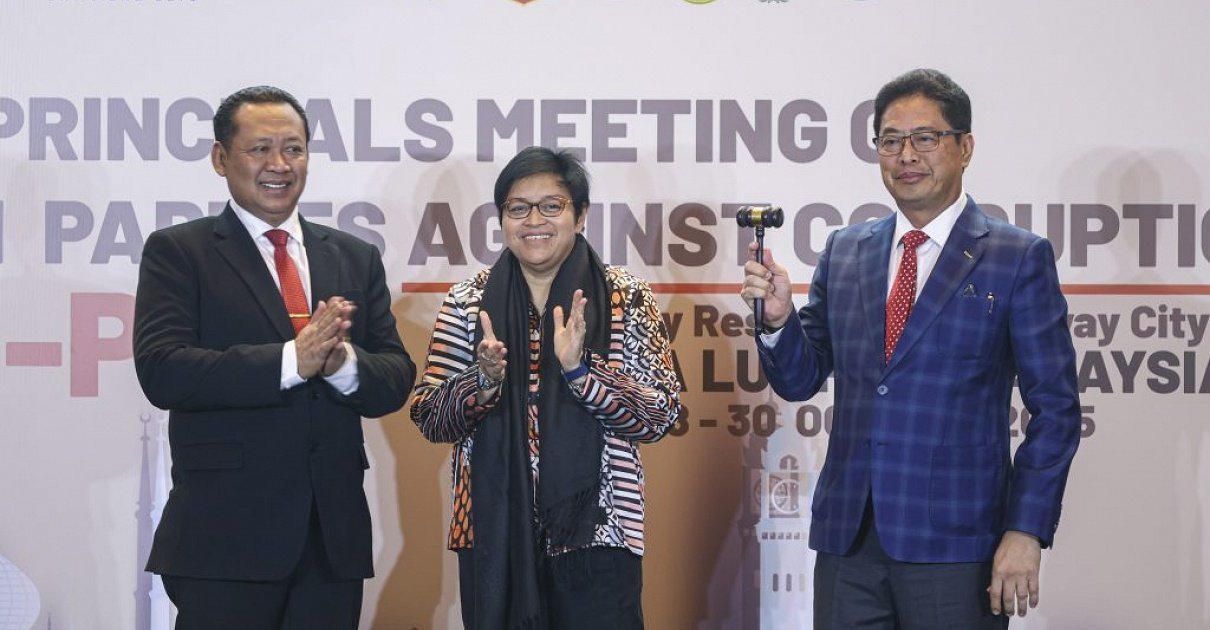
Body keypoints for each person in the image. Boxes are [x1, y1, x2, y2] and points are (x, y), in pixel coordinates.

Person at [741, 69, 1081, 628]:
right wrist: (779, 320)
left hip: (958, 545)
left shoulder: (1016, 257)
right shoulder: (845, 250)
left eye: (925, 138)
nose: (906, 155)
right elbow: (800, 379)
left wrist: (1025, 530)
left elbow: (1057, 410)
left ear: (965, 147)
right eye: (890, 140)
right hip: (849, 541)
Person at [133, 85, 415, 629]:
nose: (279, 165)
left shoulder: (354, 256)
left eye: (293, 149)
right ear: (221, 158)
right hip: (224, 541)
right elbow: (163, 370)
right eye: (260, 149)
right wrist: (291, 360)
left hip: (329, 542)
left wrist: (342, 365)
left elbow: (395, 377)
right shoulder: (180, 251)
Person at [410, 146, 682, 630]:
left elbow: (659, 415)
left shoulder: (626, 296)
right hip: (493, 532)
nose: (534, 220)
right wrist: (483, 382)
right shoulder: (468, 300)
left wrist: (581, 372)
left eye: (551, 206)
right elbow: (431, 417)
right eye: (518, 208)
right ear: (502, 219)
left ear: (580, 215)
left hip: (599, 531)